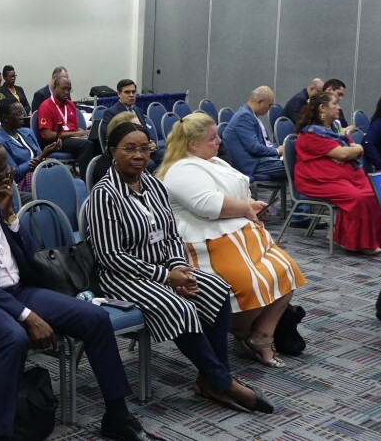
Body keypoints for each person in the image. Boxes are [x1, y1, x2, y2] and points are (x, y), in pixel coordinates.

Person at [0, 137, 155, 441]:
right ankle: (0, 435)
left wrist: (10, 218)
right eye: (3, 168)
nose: (10, 171)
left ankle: (117, 414)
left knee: (95, 318)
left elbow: (30, 254)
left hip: (14, 290)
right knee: (13, 337)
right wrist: (28, 316)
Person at [86, 122, 273, 415]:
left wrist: (178, 267)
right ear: (113, 152)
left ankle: (211, 379)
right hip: (122, 276)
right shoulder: (104, 195)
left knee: (216, 288)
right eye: (129, 149)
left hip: (165, 267)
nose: (138, 155)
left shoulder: (154, 185)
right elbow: (110, 256)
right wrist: (166, 277)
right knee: (179, 306)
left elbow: (172, 235)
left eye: (144, 149)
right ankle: (223, 382)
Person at [157, 113, 306, 367]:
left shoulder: (214, 162)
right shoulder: (180, 169)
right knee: (249, 285)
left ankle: (263, 336)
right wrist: (246, 209)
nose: (219, 141)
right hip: (208, 244)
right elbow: (209, 205)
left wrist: (251, 203)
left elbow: (237, 192)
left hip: (243, 236)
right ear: (193, 144)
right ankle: (240, 330)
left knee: (286, 271)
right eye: (212, 138)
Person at [295, 92, 381, 254]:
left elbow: (355, 148)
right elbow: (344, 153)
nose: (339, 107)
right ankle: (358, 243)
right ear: (322, 108)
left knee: (373, 193)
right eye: (335, 104)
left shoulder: (336, 129)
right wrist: (348, 152)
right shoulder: (310, 134)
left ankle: (359, 237)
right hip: (317, 180)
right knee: (357, 197)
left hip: (343, 177)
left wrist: (354, 150)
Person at [0, 100, 60, 191]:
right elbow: (15, 173)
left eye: (22, 113)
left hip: (40, 175)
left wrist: (48, 151)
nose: (22, 117)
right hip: (21, 185)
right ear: (5, 118)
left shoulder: (27, 132)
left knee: (67, 180)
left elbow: (41, 157)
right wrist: (42, 155)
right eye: (18, 114)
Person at [222, 86, 285, 182]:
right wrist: (277, 151)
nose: (269, 109)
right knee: (294, 166)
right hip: (252, 165)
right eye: (269, 105)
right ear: (260, 101)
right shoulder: (245, 116)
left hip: (260, 160)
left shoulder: (250, 114)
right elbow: (254, 148)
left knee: (293, 161)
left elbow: (264, 143)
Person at [36, 76, 94, 176]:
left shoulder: (70, 104)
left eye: (69, 89)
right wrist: (75, 134)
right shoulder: (46, 106)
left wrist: (85, 133)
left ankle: (96, 177)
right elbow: (48, 135)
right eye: (64, 89)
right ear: (55, 87)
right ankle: (86, 179)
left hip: (71, 139)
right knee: (87, 145)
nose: (67, 92)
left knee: (95, 140)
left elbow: (75, 127)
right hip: (56, 142)